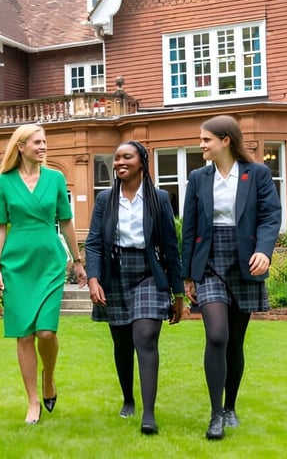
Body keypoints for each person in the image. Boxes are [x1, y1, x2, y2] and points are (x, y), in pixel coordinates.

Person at [181, 115, 282, 440]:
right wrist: (188, 276)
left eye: (206, 139)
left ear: (226, 140)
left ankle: (230, 406)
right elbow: (190, 227)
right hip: (209, 261)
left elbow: (270, 216)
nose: (201, 145)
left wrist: (265, 251)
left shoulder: (258, 174)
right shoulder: (198, 177)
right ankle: (215, 415)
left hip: (245, 261)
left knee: (235, 341)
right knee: (217, 336)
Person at [83, 140, 185, 435]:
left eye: (126, 157)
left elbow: (170, 247)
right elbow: (93, 243)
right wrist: (93, 279)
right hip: (114, 274)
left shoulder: (159, 198)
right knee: (122, 344)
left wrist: (178, 294)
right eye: (116, 158)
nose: (119, 162)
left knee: (145, 338)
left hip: (149, 273)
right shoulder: (105, 199)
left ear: (142, 160)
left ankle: (149, 414)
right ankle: (128, 398)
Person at [0, 123, 87, 424]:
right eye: (37, 142)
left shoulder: (56, 179)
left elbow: (67, 221)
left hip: (49, 261)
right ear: (21, 146)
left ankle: (49, 377)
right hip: (16, 265)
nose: (43, 146)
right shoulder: (3, 182)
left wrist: (77, 259)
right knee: (24, 336)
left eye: (44, 141)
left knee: (46, 332)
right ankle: (32, 401)